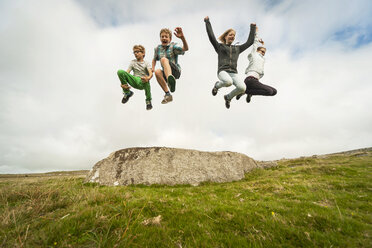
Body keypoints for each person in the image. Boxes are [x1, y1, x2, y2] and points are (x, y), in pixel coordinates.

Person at [204, 16, 256, 109]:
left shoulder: (237, 49)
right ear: (225, 36)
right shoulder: (220, 47)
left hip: (233, 73)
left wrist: (252, 28)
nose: (232, 36)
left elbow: (249, 42)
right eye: (230, 35)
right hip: (223, 71)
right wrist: (207, 22)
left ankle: (228, 97)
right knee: (228, 82)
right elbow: (211, 36)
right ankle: (216, 86)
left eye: (234, 35)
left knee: (242, 88)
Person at [236, 26, 277, 103]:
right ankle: (246, 92)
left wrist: (263, 44)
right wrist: (256, 32)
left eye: (264, 53)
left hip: (256, 82)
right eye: (262, 51)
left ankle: (249, 92)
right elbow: (255, 43)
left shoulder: (262, 59)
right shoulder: (254, 54)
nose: (263, 53)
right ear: (257, 51)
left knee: (274, 91)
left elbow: (262, 50)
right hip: (250, 80)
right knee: (269, 91)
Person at [152, 27, 189, 104]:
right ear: (160, 38)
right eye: (162, 37)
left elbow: (185, 48)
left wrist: (182, 38)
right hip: (165, 72)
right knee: (157, 71)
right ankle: (168, 94)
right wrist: (152, 68)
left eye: (166, 37)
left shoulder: (173, 46)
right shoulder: (157, 49)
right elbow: (154, 59)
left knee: (163, 59)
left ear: (170, 39)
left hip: (175, 71)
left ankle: (170, 78)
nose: (164, 38)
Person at [117, 45, 153, 110]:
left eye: (137, 52)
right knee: (120, 72)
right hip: (134, 80)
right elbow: (126, 73)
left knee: (146, 81)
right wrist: (122, 84)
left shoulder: (146, 63)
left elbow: (151, 74)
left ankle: (148, 101)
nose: (135, 53)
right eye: (134, 52)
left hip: (142, 82)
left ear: (143, 53)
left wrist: (148, 78)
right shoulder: (133, 62)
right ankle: (127, 92)